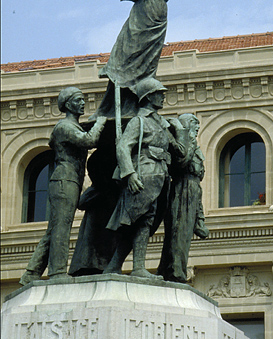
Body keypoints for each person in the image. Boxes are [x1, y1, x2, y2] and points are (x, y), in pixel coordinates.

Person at [19, 87, 107, 285]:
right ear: (68, 104)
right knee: (61, 228)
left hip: (71, 181)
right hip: (63, 181)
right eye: (78, 100)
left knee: (54, 229)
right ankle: (57, 271)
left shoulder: (73, 126)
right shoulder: (64, 127)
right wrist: (101, 122)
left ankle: (31, 273)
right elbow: (89, 140)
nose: (83, 103)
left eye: (83, 99)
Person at [104, 78, 188, 279]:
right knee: (139, 221)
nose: (163, 96)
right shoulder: (138, 121)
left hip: (160, 176)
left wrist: (181, 131)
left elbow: (181, 153)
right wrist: (130, 174)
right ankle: (137, 268)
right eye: (159, 93)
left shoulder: (162, 123)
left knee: (143, 221)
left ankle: (114, 266)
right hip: (144, 174)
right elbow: (124, 147)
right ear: (149, 97)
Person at [158, 113, 209, 283]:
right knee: (178, 231)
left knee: (184, 234)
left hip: (193, 188)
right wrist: (190, 143)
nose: (196, 128)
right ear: (186, 125)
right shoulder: (183, 144)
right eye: (194, 125)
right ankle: (174, 271)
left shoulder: (192, 144)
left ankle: (175, 268)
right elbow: (182, 162)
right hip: (181, 187)